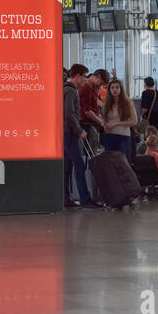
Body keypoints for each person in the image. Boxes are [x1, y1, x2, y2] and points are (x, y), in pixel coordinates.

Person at [63, 64, 96, 208]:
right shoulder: (71, 91)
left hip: (64, 133)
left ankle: (65, 198)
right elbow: (70, 113)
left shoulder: (64, 89)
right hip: (70, 133)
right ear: (77, 76)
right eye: (84, 77)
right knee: (79, 165)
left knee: (67, 166)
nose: (85, 80)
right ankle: (85, 199)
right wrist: (78, 130)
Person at [100, 78, 137, 159]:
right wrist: (104, 125)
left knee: (124, 163)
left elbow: (134, 121)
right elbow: (104, 119)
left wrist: (116, 123)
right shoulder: (107, 103)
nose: (115, 90)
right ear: (109, 90)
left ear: (121, 89)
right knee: (110, 163)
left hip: (123, 136)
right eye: (112, 88)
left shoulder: (128, 102)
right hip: (109, 136)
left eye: (117, 87)